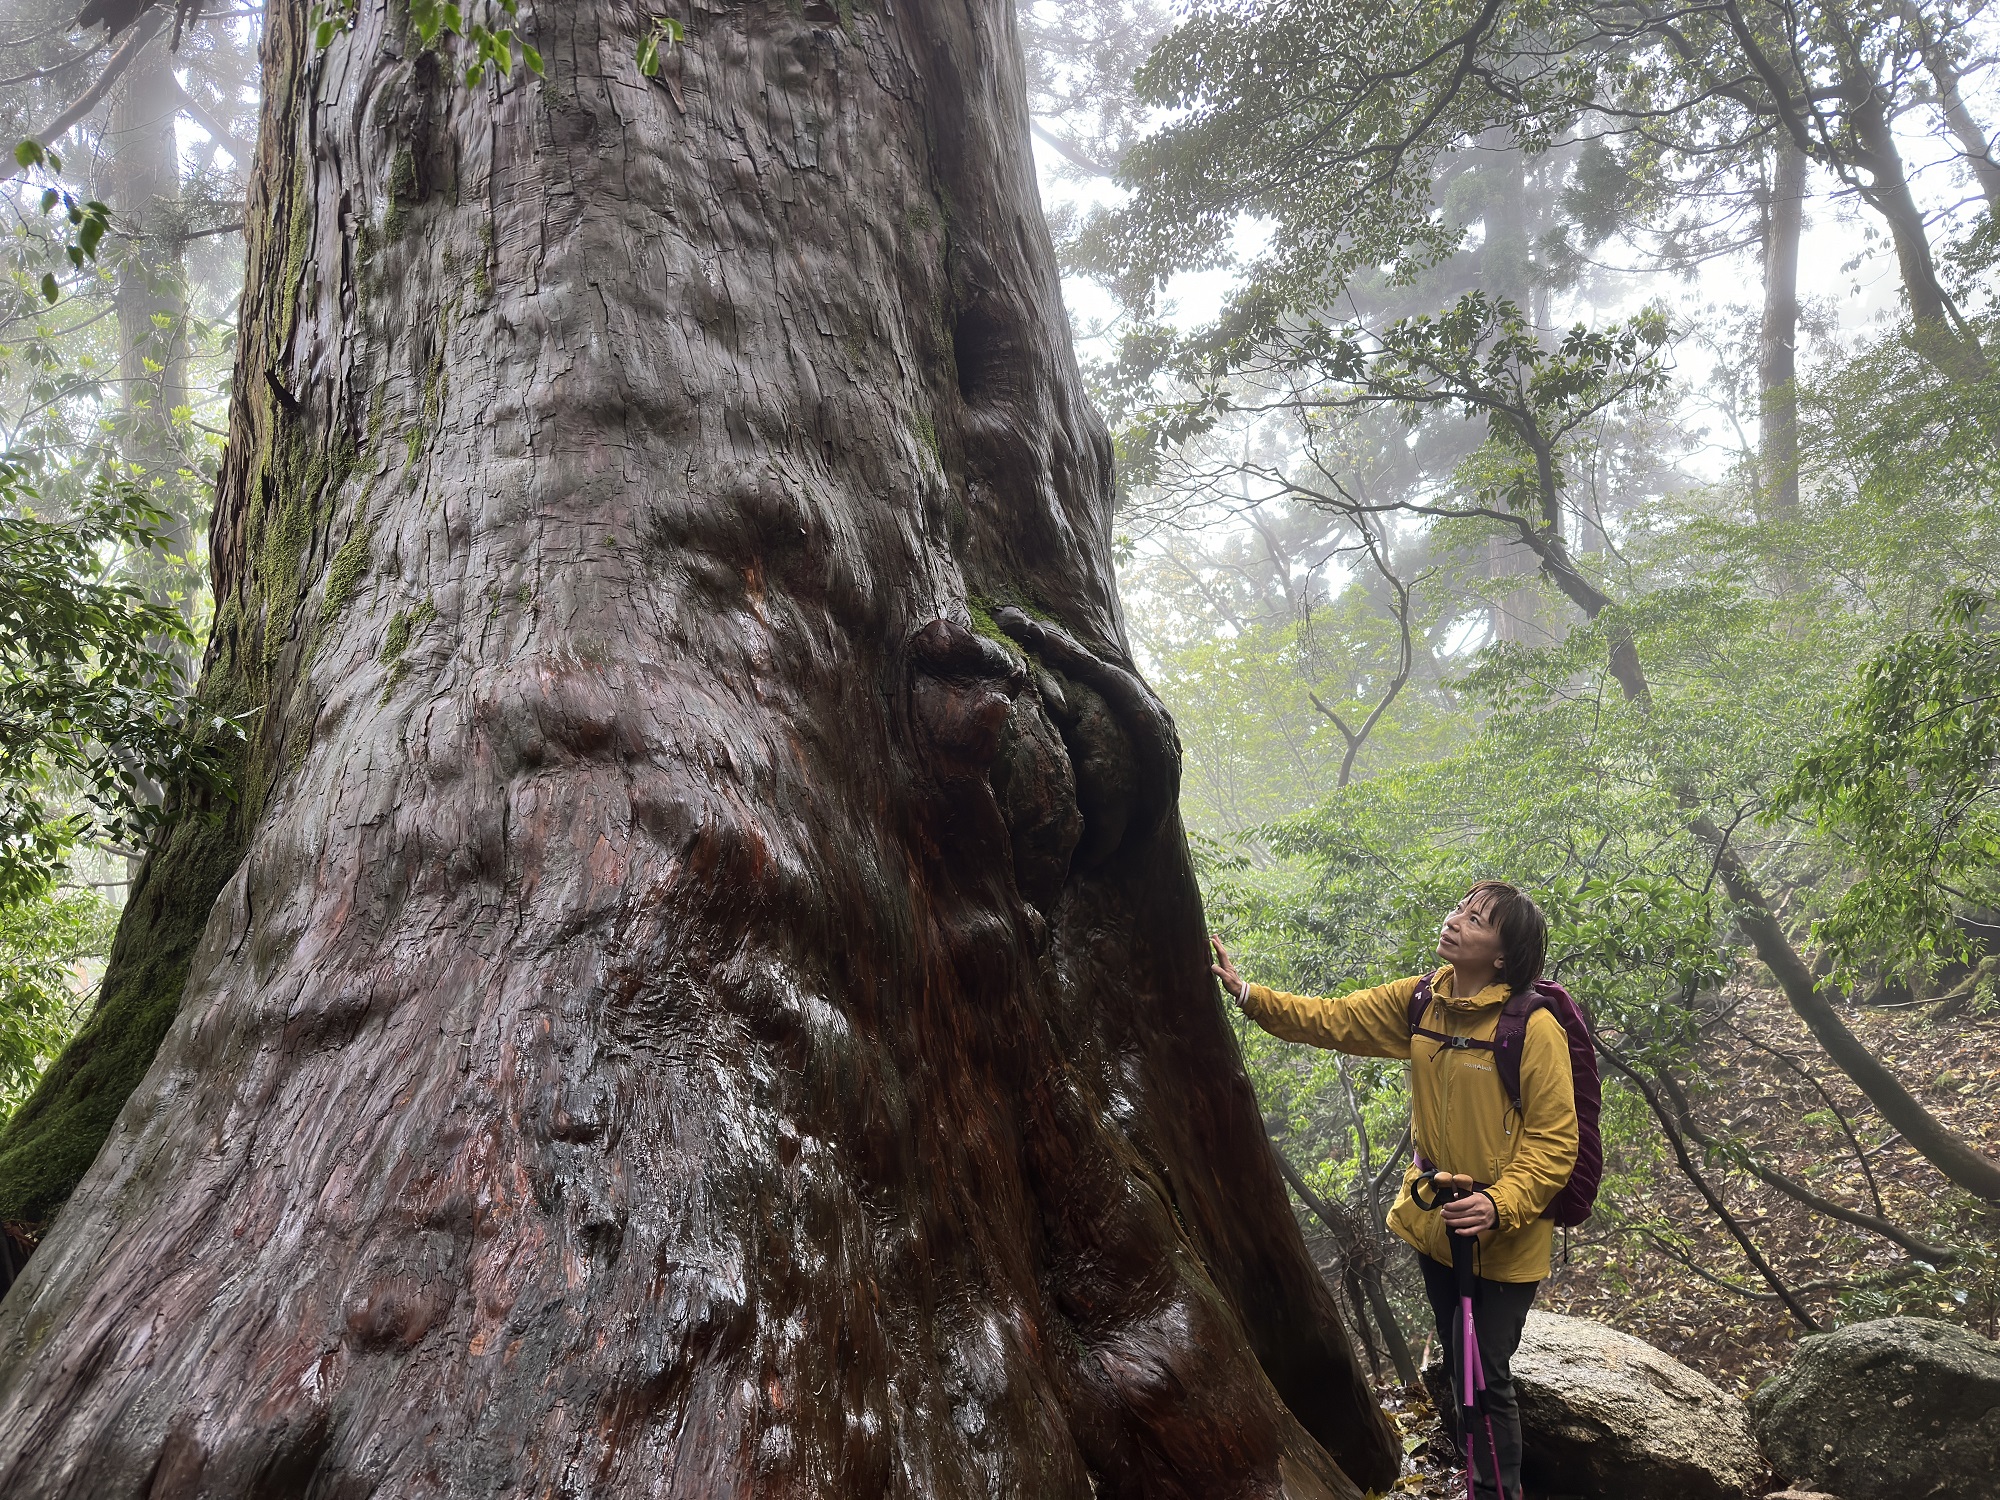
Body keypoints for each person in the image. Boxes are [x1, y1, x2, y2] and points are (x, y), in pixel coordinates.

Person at [1209, 881, 1577, 1500]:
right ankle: (1474, 1475)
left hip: (1504, 1236)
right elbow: (1334, 1018)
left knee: (1484, 1371)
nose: (1455, 921)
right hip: (1437, 1225)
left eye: (1476, 919)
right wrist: (1249, 994)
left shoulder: (1532, 1030)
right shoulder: (1421, 1003)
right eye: (1460, 908)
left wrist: (1498, 1204)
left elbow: (1554, 1141)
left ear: (1505, 956)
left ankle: (1496, 1493)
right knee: (1461, 1369)